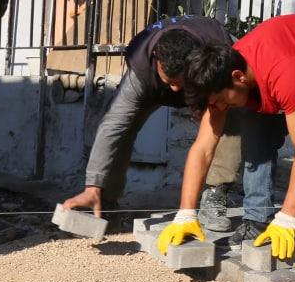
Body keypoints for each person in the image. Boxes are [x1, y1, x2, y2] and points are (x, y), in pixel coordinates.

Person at [158, 13, 295, 271]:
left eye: (220, 99)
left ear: (239, 77)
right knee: (254, 128)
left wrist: (287, 219)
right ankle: (257, 221)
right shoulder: (218, 77)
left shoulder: (281, 72)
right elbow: (203, 148)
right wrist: (185, 213)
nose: (218, 107)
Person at [61, 15, 240, 230]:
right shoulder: (142, 64)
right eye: (170, 81)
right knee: (123, 126)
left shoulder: (218, 53)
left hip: (208, 76)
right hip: (153, 84)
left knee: (229, 116)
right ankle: (103, 200)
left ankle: (215, 195)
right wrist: (93, 184)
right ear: (157, 60)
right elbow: (114, 126)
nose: (175, 89)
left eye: (180, 82)